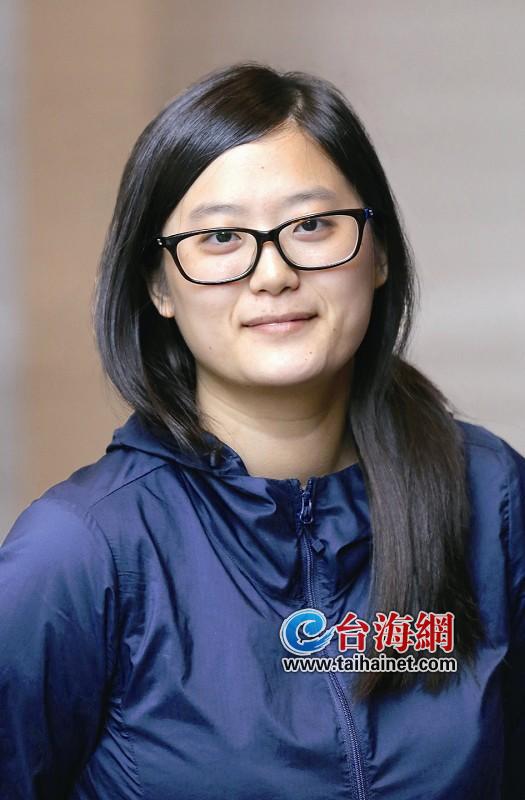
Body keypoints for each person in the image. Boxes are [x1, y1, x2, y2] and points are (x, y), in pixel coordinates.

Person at [0, 61, 523, 800]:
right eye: (220, 237)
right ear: (158, 285)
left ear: (377, 253)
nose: (272, 273)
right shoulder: (79, 553)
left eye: (311, 225)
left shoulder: (490, 495)